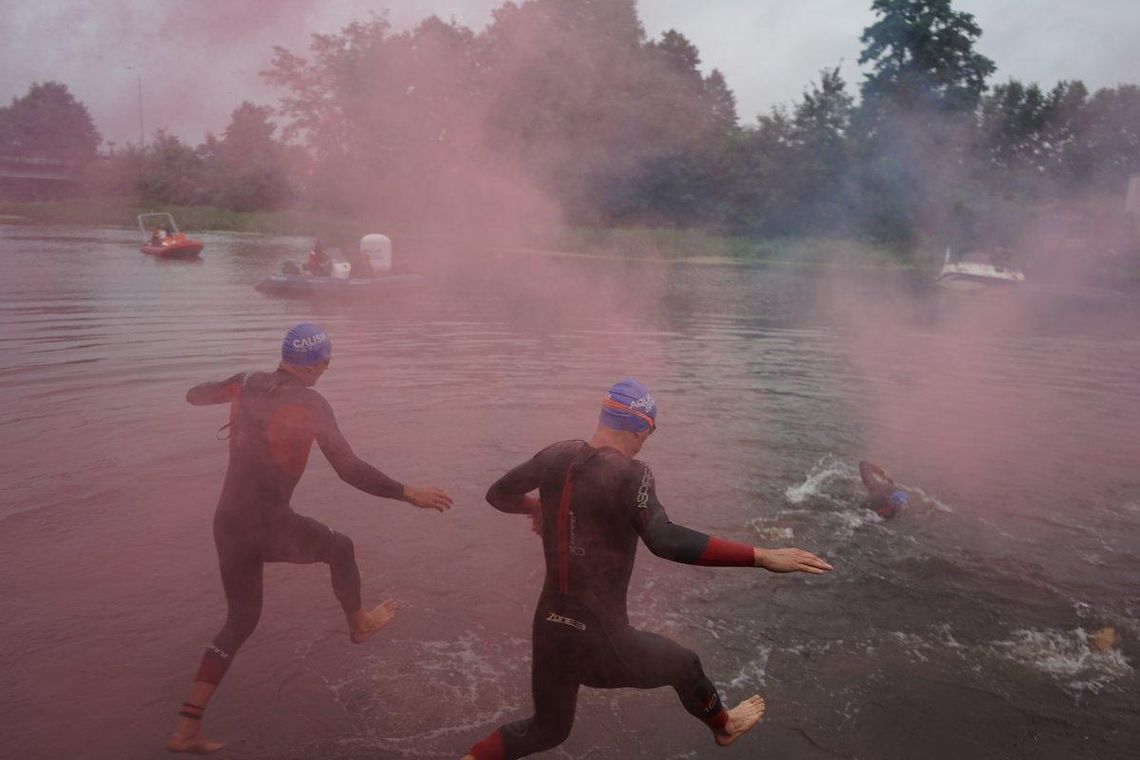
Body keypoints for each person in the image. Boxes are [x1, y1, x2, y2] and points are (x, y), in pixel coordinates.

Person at [463, 379, 833, 760]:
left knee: (547, 729)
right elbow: (665, 540)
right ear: (641, 427)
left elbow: (499, 494)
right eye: (650, 431)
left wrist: (538, 507)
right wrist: (762, 556)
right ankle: (725, 727)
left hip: (550, 627)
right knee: (685, 665)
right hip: (599, 637)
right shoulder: (631, 473)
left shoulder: (556, 455)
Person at [166, 322, 454, 755]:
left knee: (239, 621)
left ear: (285, 355)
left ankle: (186, 727)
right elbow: (349, 468)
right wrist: (406, 492)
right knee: (341, 547)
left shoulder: (244, 383)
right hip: (269, 526)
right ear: (317, 364)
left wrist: (227, 390)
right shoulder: (311, 402)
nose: (326, 369)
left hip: (227, 524)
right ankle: (358, 624)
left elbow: (193, 395)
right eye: (326, 363)